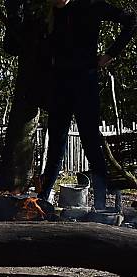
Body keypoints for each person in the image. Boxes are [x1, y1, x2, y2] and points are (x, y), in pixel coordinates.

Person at [38, 0, 136, 209]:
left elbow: (131, 20)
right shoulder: (50, 16)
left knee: (90, 141)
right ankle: (44, 198)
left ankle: (100, 203)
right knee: (55, 143)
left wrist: (110, 54)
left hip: (85, 82)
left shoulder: (91, 5)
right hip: (60, 85)